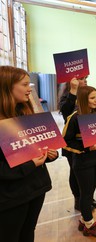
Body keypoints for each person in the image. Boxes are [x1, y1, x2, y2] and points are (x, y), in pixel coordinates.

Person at [0, 66, 59, 242]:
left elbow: (33, 152)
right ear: (6, 87)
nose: (29, 89)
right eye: (25, 84)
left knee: (28, 232)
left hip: (36, 188)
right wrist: (31, 164)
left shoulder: (26, 113)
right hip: (11, 198)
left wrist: (48, 155)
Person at [62, 85, 96, 237]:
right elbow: (66, 142)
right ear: (83, 99)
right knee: (86, 194)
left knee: (89, 193)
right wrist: (86, 148)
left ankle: (84, 221)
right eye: (92, 98)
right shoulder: (74, 118)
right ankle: (89, 224)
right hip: (83, 163)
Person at [58, 76, 96, 211]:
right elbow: (65, 111)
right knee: (75, 173)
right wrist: (73, 90)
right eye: (82, 78)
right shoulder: (68, 97)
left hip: (90, 144)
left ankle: (87, 197)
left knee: (88, 176)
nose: (85, 80)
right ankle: (78, 198)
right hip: (75, 143)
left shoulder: (90, 97)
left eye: (86, 78)